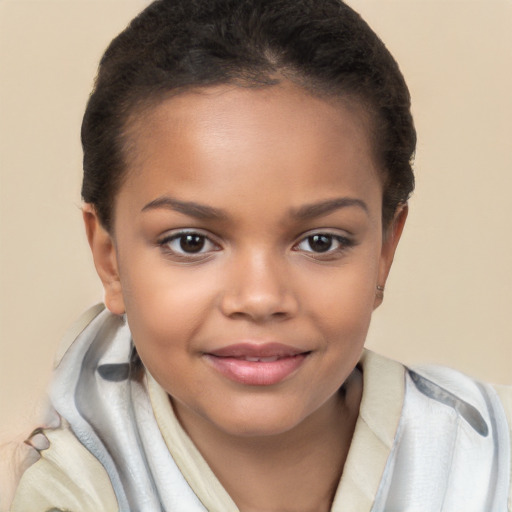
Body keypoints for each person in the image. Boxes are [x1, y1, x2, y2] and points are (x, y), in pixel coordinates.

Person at [8, 0, 512, 510]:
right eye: (191, 242)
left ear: (384, 250)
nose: (260, 298)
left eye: (320, 241)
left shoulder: (490, 463)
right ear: (110, 260)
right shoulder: (73, 493)